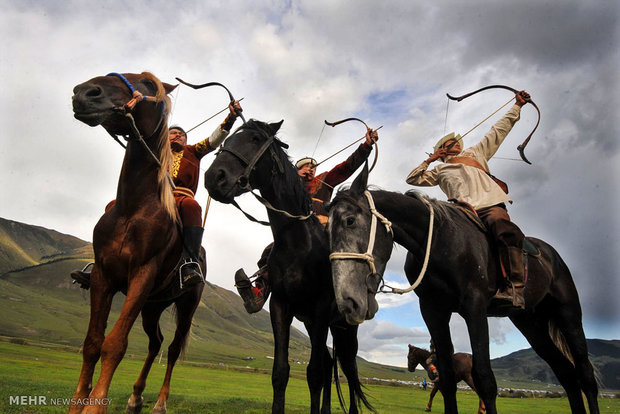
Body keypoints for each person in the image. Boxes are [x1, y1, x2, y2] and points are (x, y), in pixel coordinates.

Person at [71, 101, 243, 289]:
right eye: (174, 133)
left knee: (192, 207)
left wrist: (231, 117)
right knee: (113, 205)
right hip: (150, 196)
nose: (179, 136)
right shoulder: (155, 151)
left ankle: (190, 263)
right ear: (166, 136)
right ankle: (100, 267)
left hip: (179, 197)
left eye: (182, 135)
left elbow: (214, 140)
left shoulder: (193, 151)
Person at [406, 90, 531, 308]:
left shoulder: (476, 153)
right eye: (448, 143)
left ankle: (515, 288)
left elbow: (498, 131)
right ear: (441, 152)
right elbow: (413, 179)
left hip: (489, 205)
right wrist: (430, 161)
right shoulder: (439, 169)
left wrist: (517, 106)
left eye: (455, 141)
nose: (455, 142)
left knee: (503, 227)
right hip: (462, 211)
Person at [235, 128, 379, 313]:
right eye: (305, 167)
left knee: (348, 252)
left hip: (325, 231)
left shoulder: (324, 180)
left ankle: (363, 293)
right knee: (271, 250)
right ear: (296, 169)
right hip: (296, 235)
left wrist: (366, 146)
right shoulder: (288, 187)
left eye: (313, 167)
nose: (310, 169)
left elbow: (346, 167)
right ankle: (259, 291)